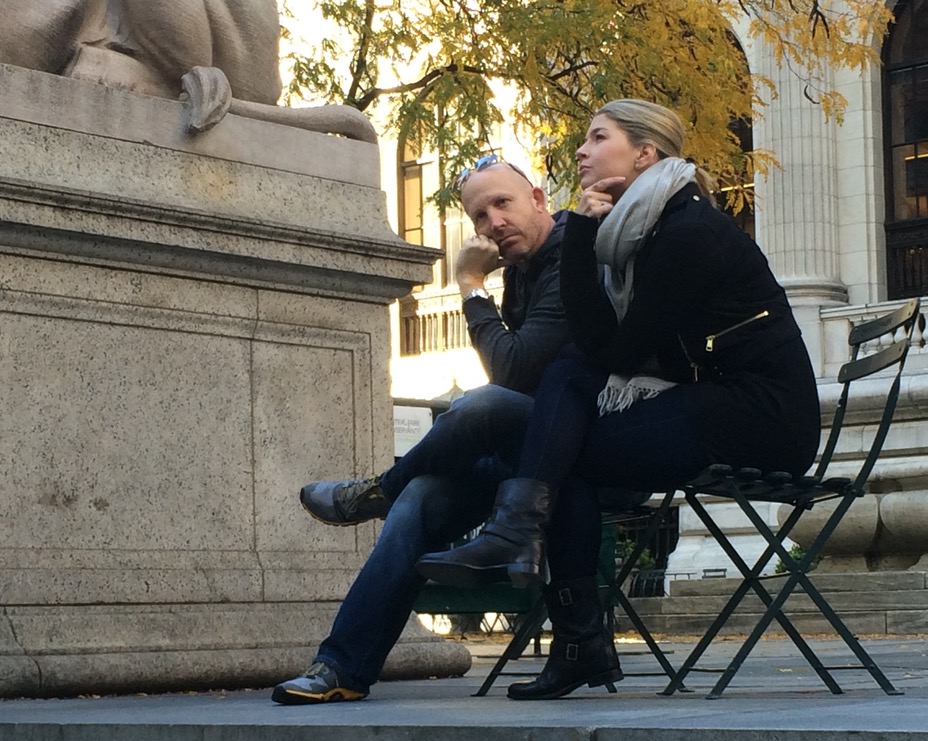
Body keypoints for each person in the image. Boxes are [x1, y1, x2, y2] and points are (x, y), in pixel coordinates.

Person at [416, 99, 822, 700]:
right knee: (571, 389)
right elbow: (596, 345)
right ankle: (531, 558)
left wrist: (579, 232)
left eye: (597, 137)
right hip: (712, 400)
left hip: (761, 415)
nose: (581, 150)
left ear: (645, 153)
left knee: (569, 445)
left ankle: (556, 602)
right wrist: (584, 231)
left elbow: (619, 353)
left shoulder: (689, 231)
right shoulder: (640, 233)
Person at [271, 157, 571, 704]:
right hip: (524, 454)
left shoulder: (571, 251)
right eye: (480, 216)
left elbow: (513, 373)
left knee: (482, 406)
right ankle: (341, 668)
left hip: (577, 446)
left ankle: (377, 489)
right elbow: (514, 373)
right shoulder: (523, 271)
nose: (492, 224)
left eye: (502, 204)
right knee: (418, 498)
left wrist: (469, 284)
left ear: (538, 197)